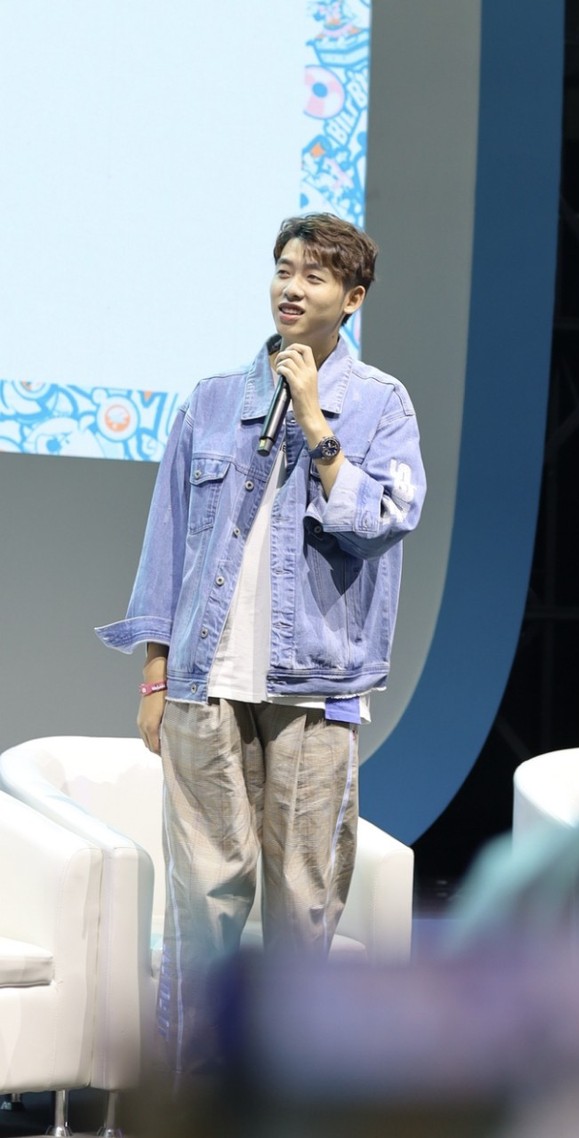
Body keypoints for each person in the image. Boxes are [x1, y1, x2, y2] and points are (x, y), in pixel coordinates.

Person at [96, 212, 426, 1076]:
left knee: (303, 901)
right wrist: (156, 675)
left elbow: (383, 520)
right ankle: (191, 1100)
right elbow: (167, 544)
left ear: (352, 299)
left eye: (314, 276)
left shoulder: (380, 403)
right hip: (204, 683)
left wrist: (316, 421)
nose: (291, 287)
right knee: (203, 900)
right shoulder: (213, 401)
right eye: (284, 269)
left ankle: (283, 1096)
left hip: (316, 686)